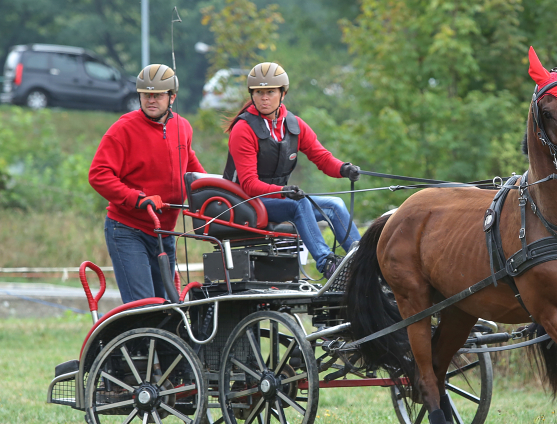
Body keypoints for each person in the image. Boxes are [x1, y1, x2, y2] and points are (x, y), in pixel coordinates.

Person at [224, 61, 361, 278]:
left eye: (270, 92)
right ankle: (327, 264)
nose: (264, 98)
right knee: (299, 203)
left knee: (336, 204)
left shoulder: (293, 125)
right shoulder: (243, 129)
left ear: (283, 93)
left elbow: (322, 157)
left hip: (278, 199)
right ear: (252, 95)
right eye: (259, 92)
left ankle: (363, 261)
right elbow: (249, 185)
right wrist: (284, 192)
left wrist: (343, 169)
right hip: (245, 201)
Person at [89, 64, 206, 303]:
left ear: (172, 97)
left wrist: (214, 193)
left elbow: (191, 166)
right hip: (128, 230)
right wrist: (137, 198)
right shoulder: (123, 129)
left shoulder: (183, 126)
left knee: (169, 307)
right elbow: (99, 174)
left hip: (165, 232)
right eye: (146, 95)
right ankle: (134, 340)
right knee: (143, 307)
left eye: (158, 95)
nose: (151, 100)